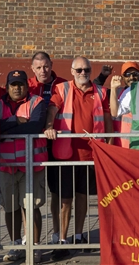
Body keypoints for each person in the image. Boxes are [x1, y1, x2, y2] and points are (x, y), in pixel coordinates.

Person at [43, 57, 112, 259]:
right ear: (72, 71)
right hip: (66, 154)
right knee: (65, 199)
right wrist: (49, 126)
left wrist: (109, 144)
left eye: (87, 70)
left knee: (83, 196)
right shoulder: (62, 89)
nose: (83, 73)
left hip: (91, 154)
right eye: (79, 70)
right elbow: (52, 109)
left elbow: (107, 118)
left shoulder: (101, 92)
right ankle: (63, 240)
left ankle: (80, 235)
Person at [0, 70, 49, 263]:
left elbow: (33, 127)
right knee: (10, 208)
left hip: (31, 165)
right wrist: (14, 121)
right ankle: (16, 244)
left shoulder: (38, 103)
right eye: (13, 85)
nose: (17, 88)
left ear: (27, 85)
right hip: (6, 165)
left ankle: (33, 247)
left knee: (31, 207)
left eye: (20, 84)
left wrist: (5, 128)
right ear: (7, 87)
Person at [111, 61, 139, 147]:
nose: (131, 77)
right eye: (127, 74)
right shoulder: (117, 91)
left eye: (135, 74)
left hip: (134, 145)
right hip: (118, 144)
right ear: (122, 77)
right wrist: (103, 77)